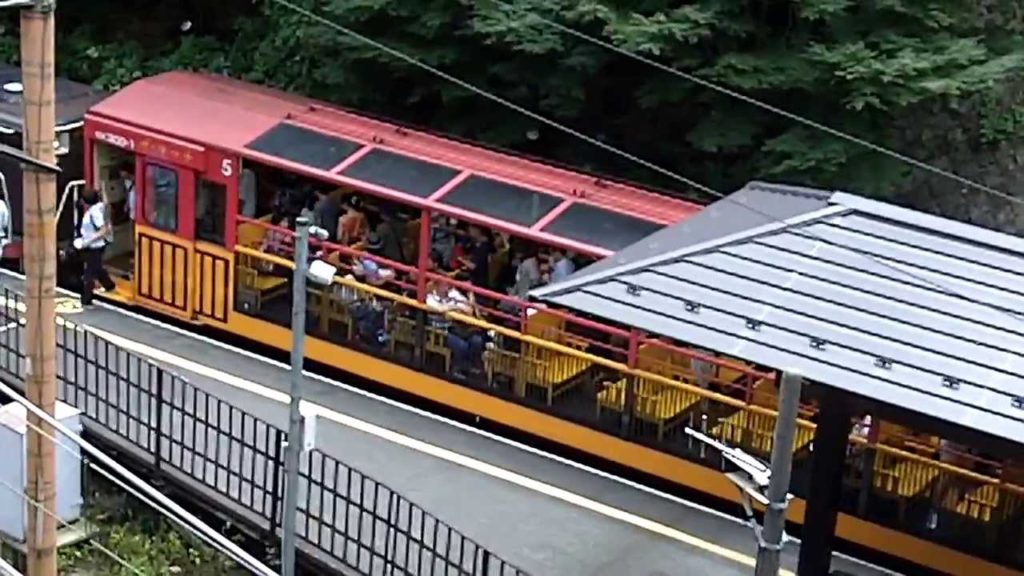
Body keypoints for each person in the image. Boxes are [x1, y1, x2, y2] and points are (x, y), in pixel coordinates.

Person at [74, 188, 116, 306]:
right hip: (94, 245)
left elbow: (103, 230)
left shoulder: (94, 213)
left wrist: (86, 242)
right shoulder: (100, 207)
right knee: (96, 268)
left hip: (94, 246)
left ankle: (86, 300)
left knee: (89, 274)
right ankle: (109, 285)